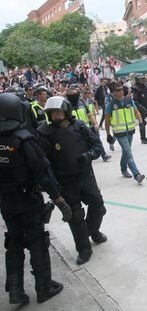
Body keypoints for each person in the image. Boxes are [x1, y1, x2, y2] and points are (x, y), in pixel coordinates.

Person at [0, 93, 72, 304]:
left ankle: (15, 290)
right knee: (37, 242)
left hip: (6, 202)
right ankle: (44, 287)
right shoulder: (24, 140)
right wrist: (59, 200)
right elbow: (44, 174)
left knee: (13, 242)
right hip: (28, 201)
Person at [38, 96, 108, 265]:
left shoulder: (79, 126)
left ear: (66, 111)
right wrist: (53, 187)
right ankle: (84, 248)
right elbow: (44, 162)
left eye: (58, 111)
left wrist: (88, 155)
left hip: (85, 176)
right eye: (52, 112)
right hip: (65, 182)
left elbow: (97, 146)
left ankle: (93, 231)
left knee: (98, 205)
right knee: (75, 216)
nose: (55, 115)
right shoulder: (43, 133)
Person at [105, 82, 146, 183]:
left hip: (130, 131)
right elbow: (107, 120)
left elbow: (136, 112)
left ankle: (123, 169)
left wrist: (141, 122)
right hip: (119, 134)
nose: (121, 91)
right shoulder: (110, 105)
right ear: (113, 92)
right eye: (118, 90)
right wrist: (108, 134)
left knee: (126, 152)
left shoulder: (129, 101)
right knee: (128, 153)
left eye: (121, 89)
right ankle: (137, 175)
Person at [78, 86, 112, 162]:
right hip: (84, 126)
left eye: (88, 93)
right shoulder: (79, 102)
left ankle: (104, 155)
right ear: (82, 93)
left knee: (97, 140)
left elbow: (92, 112)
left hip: (92, 124)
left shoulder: (90, 100)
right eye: (85, 93)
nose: (87, 94)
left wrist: (95, 123)